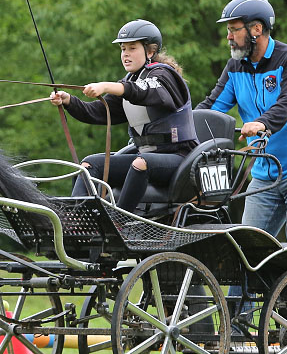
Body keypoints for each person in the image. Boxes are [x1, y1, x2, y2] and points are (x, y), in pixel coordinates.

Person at [197, 0, 287, 246]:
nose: (228, 37)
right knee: (244, 250)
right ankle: (256, 288)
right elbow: (211, 109)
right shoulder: (235, 67)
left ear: (256, 29)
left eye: (233, 30)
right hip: (263, 173)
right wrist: (183, 129)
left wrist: (262, 123)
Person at [49, 20, 198, 212]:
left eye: (132, 48)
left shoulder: (164, 76)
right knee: (89, 165)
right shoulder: (130, 81)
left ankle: (119, 221)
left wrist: (106, 86)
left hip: (180, 158)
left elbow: (143, 91)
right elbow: (99, 112)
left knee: (140, 163)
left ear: (150, 51)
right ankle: (76, 221)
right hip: (145, 156)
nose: (125, 54)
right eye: (123, 48)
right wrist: (69, 101)